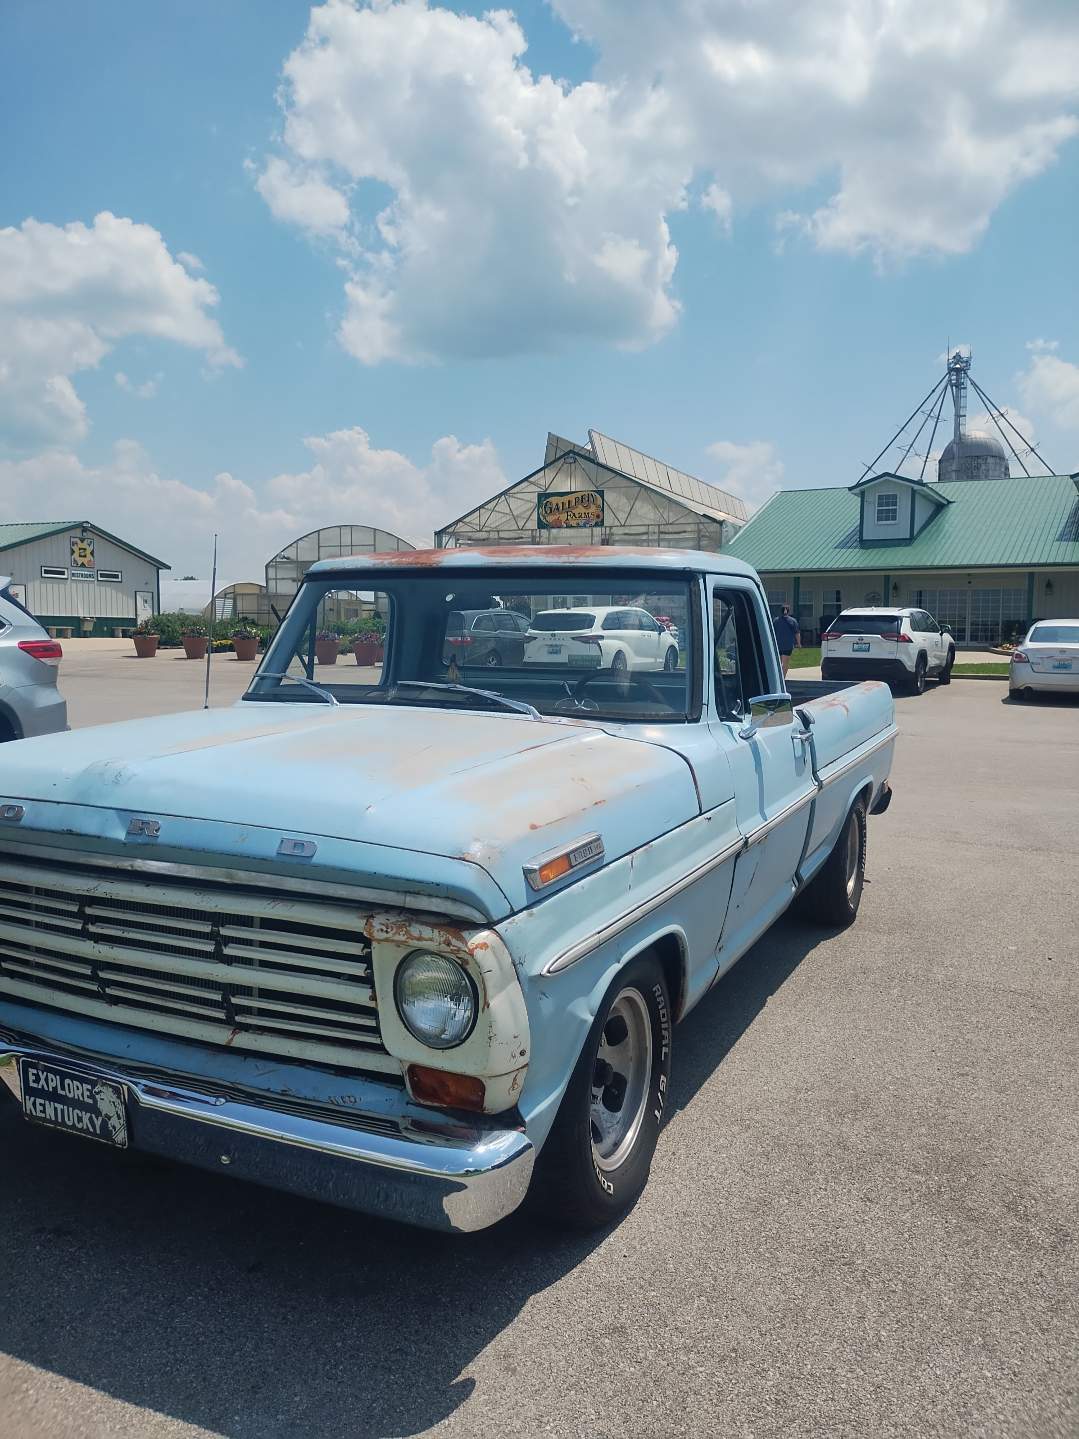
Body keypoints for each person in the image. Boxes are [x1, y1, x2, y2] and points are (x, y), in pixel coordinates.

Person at [772, 605, 801, 677]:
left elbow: (772, 632)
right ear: (788, 611)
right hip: (788, 645)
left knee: (778, 663)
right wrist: (799, 643)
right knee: (785, 663)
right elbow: (797, 633)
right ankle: (783, 679)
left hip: (777, 645)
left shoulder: (775, 620)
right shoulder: (793, 621)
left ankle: (778, 678)